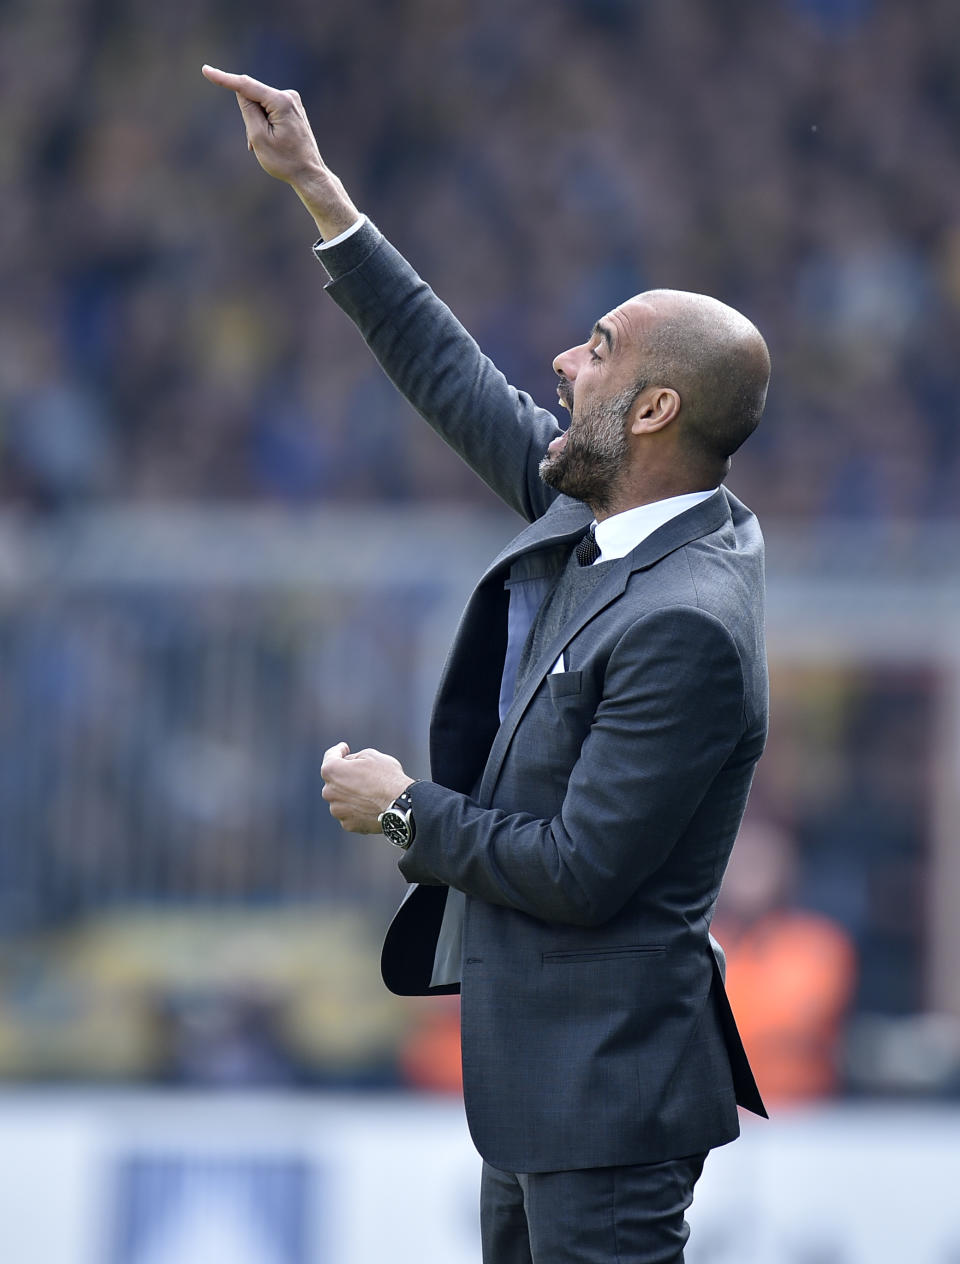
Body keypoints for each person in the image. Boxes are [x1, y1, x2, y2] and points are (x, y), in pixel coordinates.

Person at [202, 64, 771, 1264]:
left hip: (608, 1107)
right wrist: (319, 192)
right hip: (541, 1093)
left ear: (658, 409)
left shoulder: (687, 621)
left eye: (600, 349)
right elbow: (456, 381)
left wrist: (404, 808)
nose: (565, 361)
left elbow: (579, 871)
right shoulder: (616, 510)